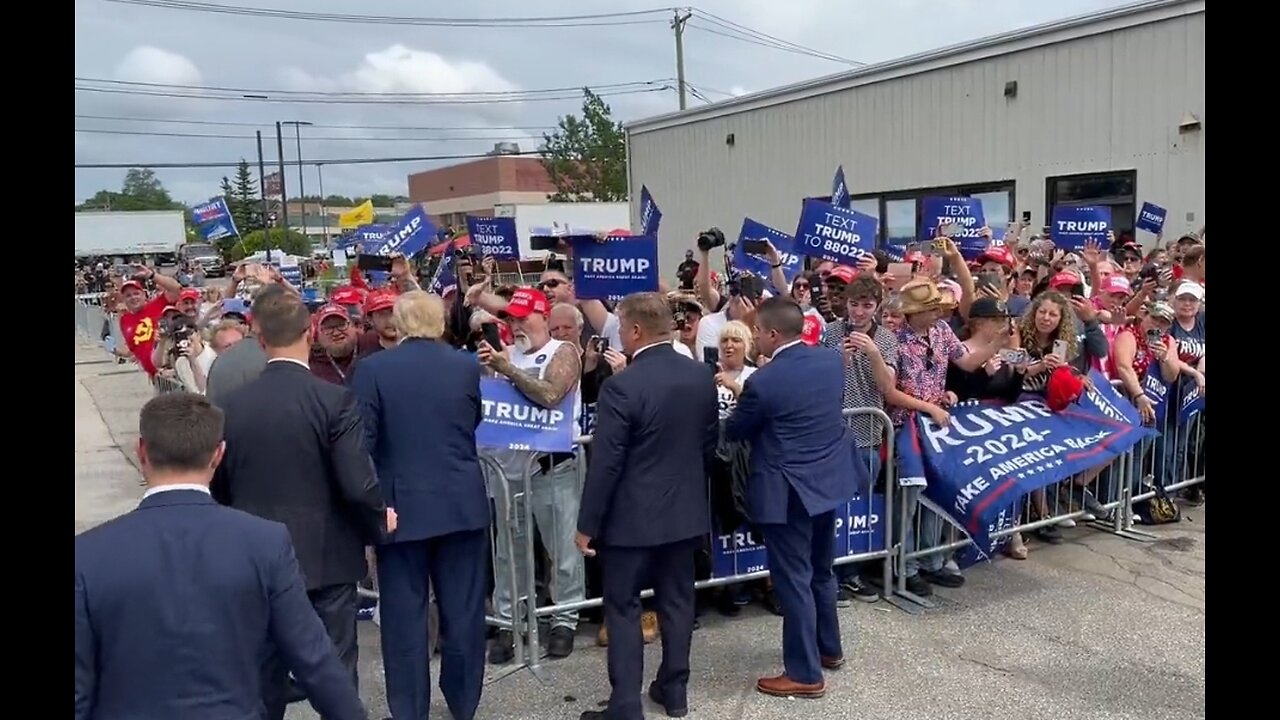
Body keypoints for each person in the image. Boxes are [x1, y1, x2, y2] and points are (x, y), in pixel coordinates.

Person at [75, 393, 366, 720]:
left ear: (142, 451)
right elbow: (313, 659)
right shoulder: (264, 544)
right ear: (218, 454)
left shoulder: (87, 556)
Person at [212, 287, 389, 720]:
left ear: (260, 339)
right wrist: (378, 523)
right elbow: (356, 480)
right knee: (335, 672)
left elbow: (219, 483)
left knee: (265, 676)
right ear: (310, 331)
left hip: (258, 556)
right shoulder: (333, 400)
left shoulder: (233, 407)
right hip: (328, 555)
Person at [575, 292, 719, 720]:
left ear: (636, 330)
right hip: (684, 512)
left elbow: (606, 463)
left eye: (621, 326)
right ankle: (674, 692)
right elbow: (708, 445)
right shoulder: (699, 376)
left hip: (629, 520)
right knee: (678, 602)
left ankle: (624, 706)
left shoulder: (622, 385)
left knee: (623, 608)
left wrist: (587, 524)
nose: (618, 333)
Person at [350, 291, 490, 720]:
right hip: (460, 501)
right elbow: (473, 419)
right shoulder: (465, 365)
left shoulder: (372, 369)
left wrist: (370, 505)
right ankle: (464, 702)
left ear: (399, 322)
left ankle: (410, 709)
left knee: (404, 618)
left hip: (400, 507)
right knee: (465, 612)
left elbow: (363, 441)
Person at [725, 297, 865, 699]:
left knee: (793, 582)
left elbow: (736, 431)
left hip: (787, 492)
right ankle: (828, 649)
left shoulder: (763, 382)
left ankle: (804, 673)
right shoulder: (830, 361)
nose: (752, 338)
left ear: (772, 334)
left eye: (756, 332)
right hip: (828, 482)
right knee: (822, 570)